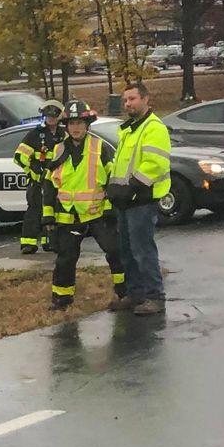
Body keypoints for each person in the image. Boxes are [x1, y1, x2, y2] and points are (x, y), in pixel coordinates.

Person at [48, 102, 126, 313]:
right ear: (66, 126)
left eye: (80, 123)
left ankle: (125, 292)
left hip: (97, 213)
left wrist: (110, 208)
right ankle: (61, 299)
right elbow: (50, 184)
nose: (75, 128)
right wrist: (47, 215)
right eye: (72, 123)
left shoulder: (100, 147)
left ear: (87, 125)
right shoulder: (59, 150)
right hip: (68, 214)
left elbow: (112, 179)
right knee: (65, 258)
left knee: (115, 251)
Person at [108, 83, 173, 318]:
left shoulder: (153, 128)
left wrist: (132, 187)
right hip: (126, 200)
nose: (128, 104)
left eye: (132, 99)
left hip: (142, 199)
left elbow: (155, 164)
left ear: (145, 99)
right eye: (125, 100)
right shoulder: (129, 130)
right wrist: (113, 187)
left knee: (143, 251)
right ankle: (135, 294)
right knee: (127, 251)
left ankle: (155, 297)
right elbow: (121, 165)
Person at [12, 100, 65, 254]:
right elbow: (19, 157)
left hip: (57, 181)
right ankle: (28, 243)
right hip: (38, 181)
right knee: (34, 211)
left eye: (54, 116)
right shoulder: (35, 135)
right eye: (48, 116)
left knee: (54, 211)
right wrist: (34, 171)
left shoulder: (64, 134)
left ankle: (50, 241)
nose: (51, 119)